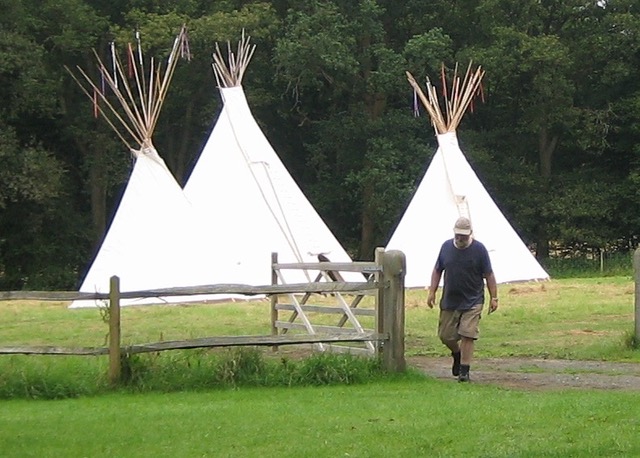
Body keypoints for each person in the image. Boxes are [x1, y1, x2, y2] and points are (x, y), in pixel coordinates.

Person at [426, 216, 498, 382]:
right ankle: (456, 354)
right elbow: (437, 270)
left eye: (464, 236)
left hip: (473, 300)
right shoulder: (445, 247)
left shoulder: (480, 250)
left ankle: (464, 371)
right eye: (458, 235)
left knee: (468, 334)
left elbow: (489, 274)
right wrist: (432, 292)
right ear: (454, 232)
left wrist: (494, 297)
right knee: (446, 336)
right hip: (450, 300)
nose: (460, 238)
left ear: (470, 234)